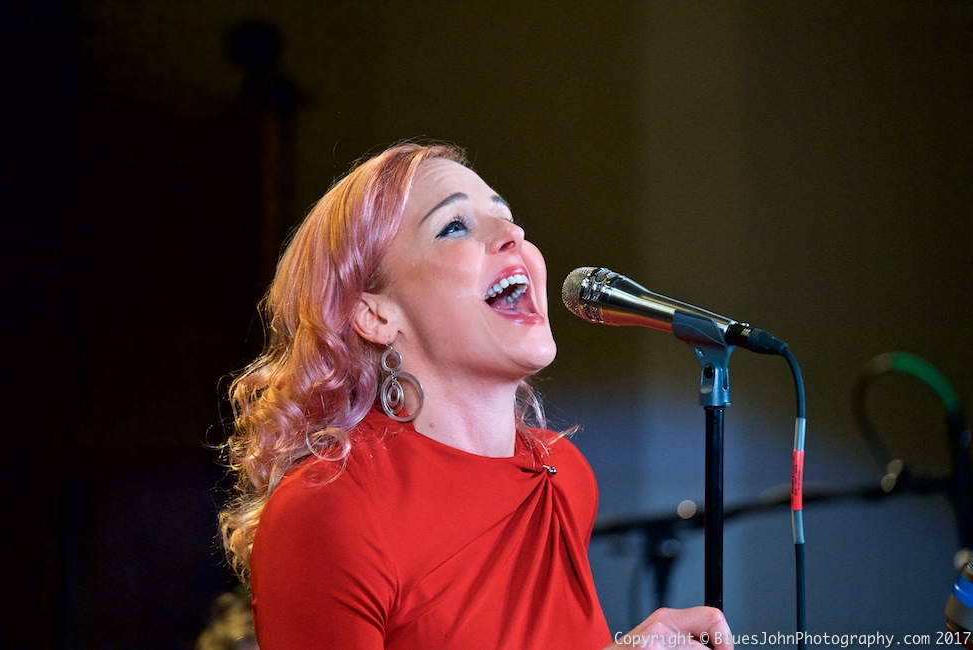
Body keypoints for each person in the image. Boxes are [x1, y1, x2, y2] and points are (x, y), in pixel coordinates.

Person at [218, 141, 733, 649]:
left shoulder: (563, 476)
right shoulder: (329, 509)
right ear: (374, 314)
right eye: (454, 226)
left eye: (507, 217)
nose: (514, 234)